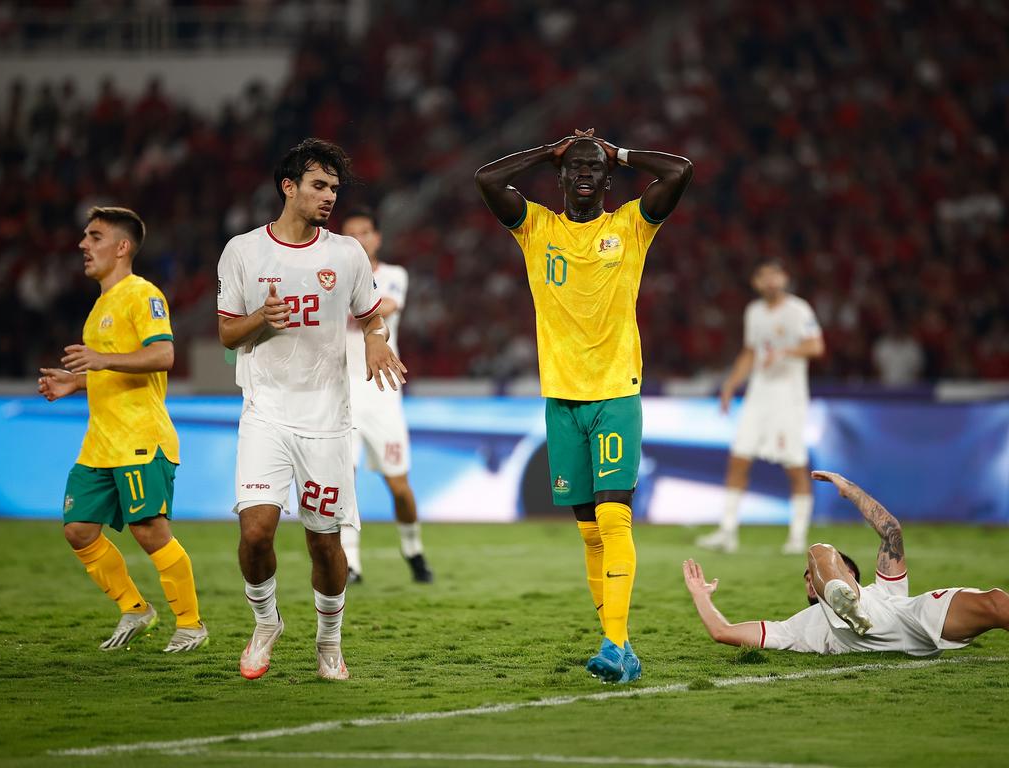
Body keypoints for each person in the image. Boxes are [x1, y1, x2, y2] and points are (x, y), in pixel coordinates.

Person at [475, 128, 693, 683]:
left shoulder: (631, 225)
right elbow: (486, 180)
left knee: (615, 516)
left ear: (609, 177)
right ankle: (622, 646)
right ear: (562, 178)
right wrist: (548, 150)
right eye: (574, 167)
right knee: (589, 530)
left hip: (617, 389)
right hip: (561, 397)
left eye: (596, 166)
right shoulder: (536, 227)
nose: (585, 173)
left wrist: (618, 150)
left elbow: (679, 171)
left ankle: (615, 644)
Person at [216, 138, 406, 681]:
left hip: (326, 422)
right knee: (255, 531)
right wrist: (261, 320)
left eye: (334, 189)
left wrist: (375, 338)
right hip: (265, 414)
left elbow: (371, 317)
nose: (328, 197)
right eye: (319, 186)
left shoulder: (345, 253)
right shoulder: (243, 251)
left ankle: (328, 641)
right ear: (289, 186)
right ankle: (265, 621)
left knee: (325, 542)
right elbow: (228, 333)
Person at [38, 206, 207, 653]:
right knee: (78, 529)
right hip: (100, 442)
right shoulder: (98, 310)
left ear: (122, 247)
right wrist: (73, 381)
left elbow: (163, 356)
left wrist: (100, 361)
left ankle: (190, 624)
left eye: (94, 237)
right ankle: (135, 609)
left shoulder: (142, 295)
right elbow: (107, 369)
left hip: (140, 437)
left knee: (150, 531)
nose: (83, 245)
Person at [684, 470, 1009, 655]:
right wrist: (701, 596)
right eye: (809, 578)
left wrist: (850, 490)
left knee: (997, 601)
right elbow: (722, 632)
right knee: (819, 548)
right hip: (873, 628)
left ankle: (851, 606)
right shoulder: (801, 627)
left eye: (813, 574)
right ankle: (849, 610)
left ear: (851, 572)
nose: (809, 579)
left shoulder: (888, 591)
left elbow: (891, 531)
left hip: (917, 623)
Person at [698, 260, 824, 555]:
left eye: (775, 275)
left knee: (794, 464)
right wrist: (730, 385)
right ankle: (727, 532)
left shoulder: (798, 310)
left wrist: (784, 350)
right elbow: (751, 352)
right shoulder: (753, 312)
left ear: (784, 278)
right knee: (739, 458)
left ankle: (797, 537)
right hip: (758, 395)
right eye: (764, 276)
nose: (770, 281)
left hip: (788, 398)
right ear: (756, 283)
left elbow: (816, 346)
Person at [340, 208, 433, 585]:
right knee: (344, 480)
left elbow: (388, 306)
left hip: (382, 396)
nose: (360, 240)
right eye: (351, 234)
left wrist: (349, 304)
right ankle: (351, 564)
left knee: (400, 487)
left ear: (377, 237)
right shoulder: (329, 279)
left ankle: (412, 548)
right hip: (341, 396)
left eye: (365, 232)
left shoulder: (394, 275)